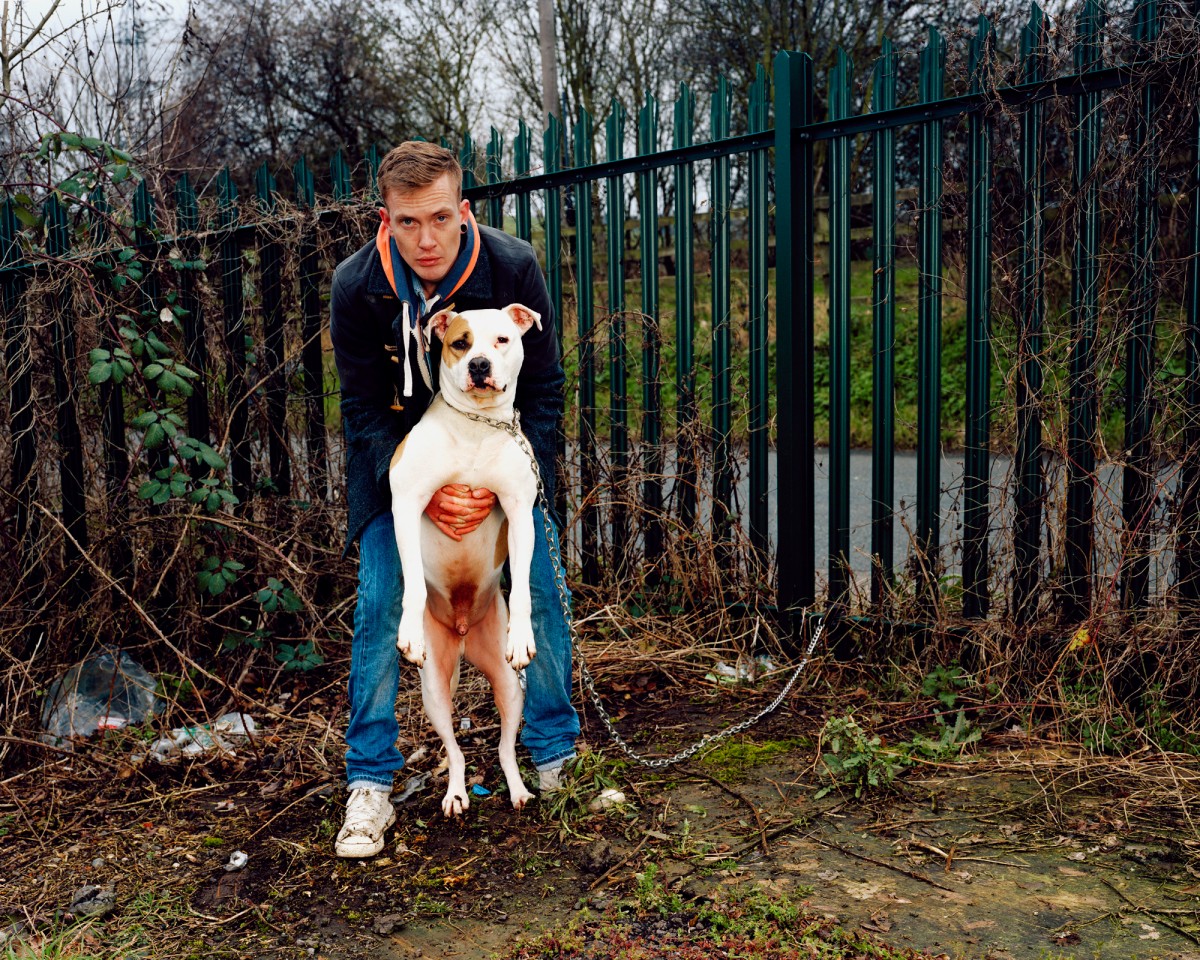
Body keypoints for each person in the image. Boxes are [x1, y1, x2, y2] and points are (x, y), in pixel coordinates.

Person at [329, 141, 580, 858]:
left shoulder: (512, 267)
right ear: (387, 220)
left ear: (464, 210)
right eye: (409, 222)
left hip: (499, 455)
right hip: (405, 474)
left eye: (441, 217)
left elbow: (545, 392)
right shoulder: (358, 286)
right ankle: (370, 783)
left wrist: (508, 478)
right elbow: (363, 412)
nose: (427, 238)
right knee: (381, 599)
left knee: (539, 586)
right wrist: (419, 483)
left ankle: (556, 754)